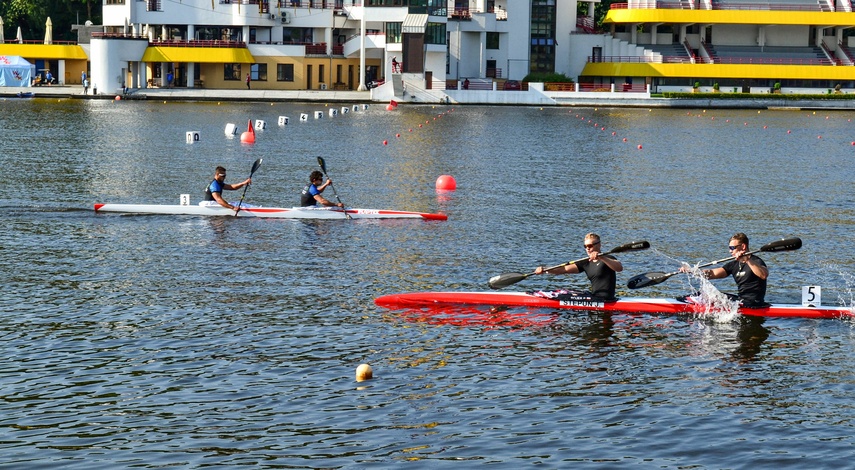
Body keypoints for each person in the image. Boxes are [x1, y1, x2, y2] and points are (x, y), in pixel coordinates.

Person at [681, 232, 768, 307]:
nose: (730, 251)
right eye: (729, 248)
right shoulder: (734, 264)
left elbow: (763, 275)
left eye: (732, 248)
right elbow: (712, 273)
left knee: (710, 297)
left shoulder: (756, 261)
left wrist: (747, 260)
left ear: (743, 246)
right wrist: (693, 271)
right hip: (741, 301)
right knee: (701, 295)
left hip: (755, 303)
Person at [534, 233, 624, 301]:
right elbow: (564, 269)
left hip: (606, 299)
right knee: (565, 293)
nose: (587, 249)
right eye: (585, 246)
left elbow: (619, 268)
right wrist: (546, 270)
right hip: (594, 297)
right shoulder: (586, 262)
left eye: (590, 246)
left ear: (599, 245)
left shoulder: (608, 258)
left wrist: (601, 257)